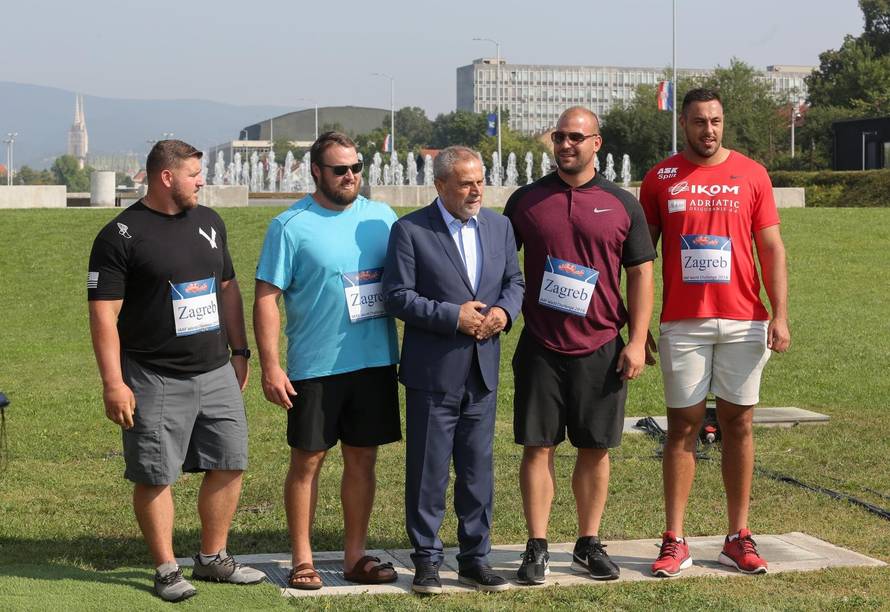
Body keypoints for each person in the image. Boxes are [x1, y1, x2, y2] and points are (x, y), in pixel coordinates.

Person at [87, 140, 265, 603]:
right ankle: (167, 569)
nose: (202, 181)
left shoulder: (209, 221)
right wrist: (114, 382)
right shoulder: (120, 234)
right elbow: (104, 314)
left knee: (230, 462)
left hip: (215, 370)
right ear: (166, 177)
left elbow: (227, 287)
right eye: (193, 175)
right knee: (155, 473)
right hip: (154, 374)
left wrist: (240, 349)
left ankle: (212, 558)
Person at [640, 88, 791, 577]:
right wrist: (637, 324)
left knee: (738, 424)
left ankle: (737, 536)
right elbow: (640, 260)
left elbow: (771, 247)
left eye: (716, 121)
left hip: (745, 319)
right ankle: (674, 538)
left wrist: (780, 313)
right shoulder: (661, 177)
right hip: (683, 323)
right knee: (682, 425)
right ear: (683, 124)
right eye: (699, 121)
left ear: (724, 123)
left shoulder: (752, 174)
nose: (709, 130)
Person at [504, 106, 655, 585]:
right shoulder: (525, 201)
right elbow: (504, 267)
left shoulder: (622, 203)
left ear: (597, 143)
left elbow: (641, 273)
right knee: (537, 446)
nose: (566, 145)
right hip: (541, 344)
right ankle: (537, 547)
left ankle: (588, 543)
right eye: (559, 137)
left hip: (602, 345)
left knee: (595, 448)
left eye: (576, 137)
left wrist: (635, 342)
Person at [254, 132, 401, 590]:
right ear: (316, 171)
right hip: (315, 367)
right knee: (308, 461)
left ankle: (355, 555)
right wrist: (271, 366)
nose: (351, 176)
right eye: (340, 170)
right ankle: (303, 559)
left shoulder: (382, 218)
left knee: (363, 460)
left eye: (357, 167)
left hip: (374, 362)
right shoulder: (289, 225)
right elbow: (266, 298)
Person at [382, 146, 524, 594]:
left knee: (478, 470)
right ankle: (426, 560)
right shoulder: (410, 230)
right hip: (433, 373)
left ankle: (474, 558)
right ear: (440, 185)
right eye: (465, 182)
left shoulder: (500, 227)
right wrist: (452, 316)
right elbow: (398, 295)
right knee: (429, 470)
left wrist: (504, 313)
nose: (476, 189)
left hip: (482, 371)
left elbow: (514, 282)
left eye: (480, 180)